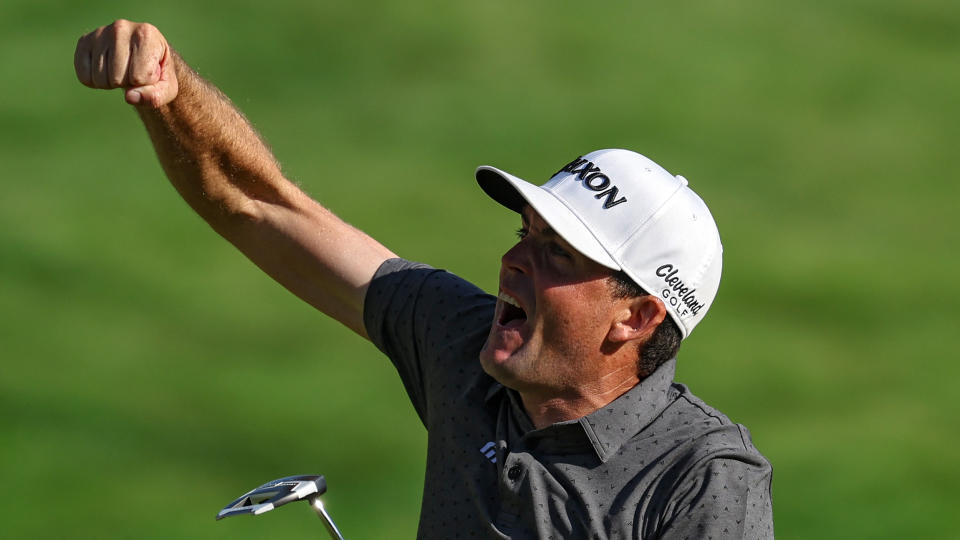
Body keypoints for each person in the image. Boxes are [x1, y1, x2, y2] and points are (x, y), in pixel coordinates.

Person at [75, 20, 774, 539]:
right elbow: (257, 206)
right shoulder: (460, 344)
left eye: (558, 255)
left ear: (637, 318)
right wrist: (169, 93)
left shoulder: (703, 479)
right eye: (523, 236)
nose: (512, 263)